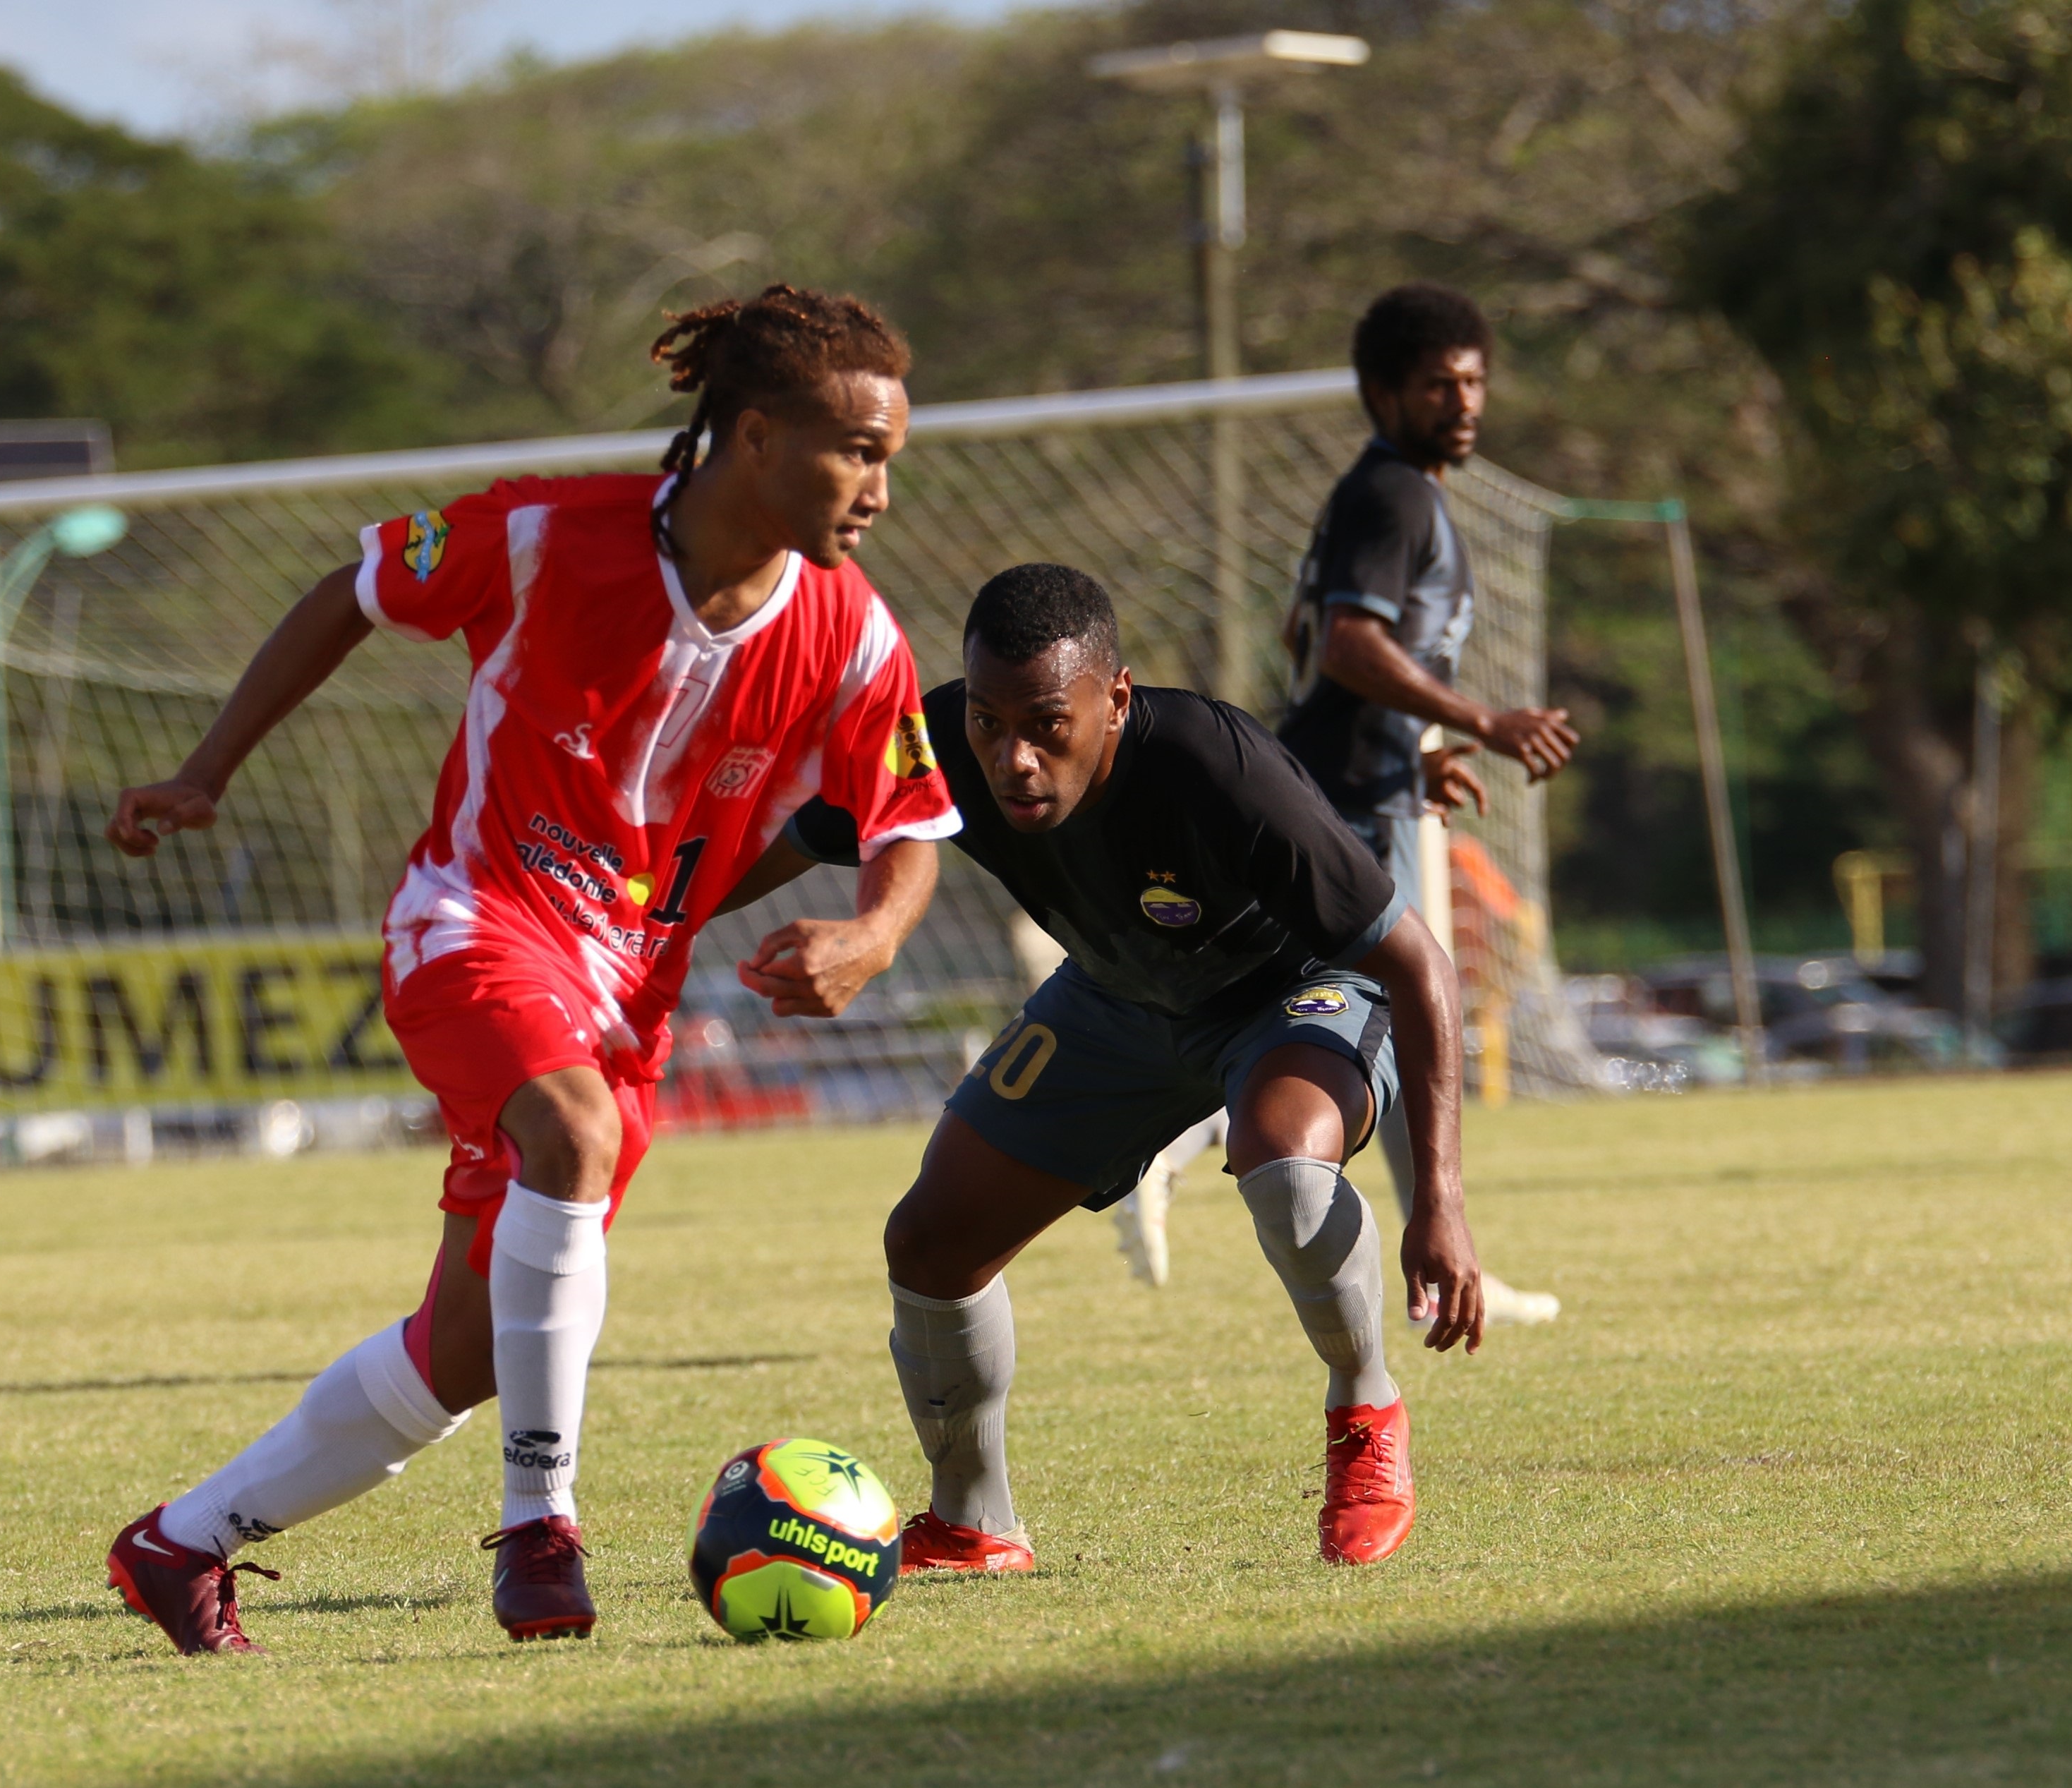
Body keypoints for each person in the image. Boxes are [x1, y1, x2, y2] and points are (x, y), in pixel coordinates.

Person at [98, 285, 961, 1653]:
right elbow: (357, 589)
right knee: (568, 1128)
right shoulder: (547, 533)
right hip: (472, 920)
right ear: (750, 436)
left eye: (890, 458)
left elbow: (909, 816)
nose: (877, 488)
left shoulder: (851, 630)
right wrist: (206, 769)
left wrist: (872, 931)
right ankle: (538, 1523)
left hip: (631, 998)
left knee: (470, 1345)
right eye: (856, 449)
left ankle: (181, 1540)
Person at [736, 562, 1484, 1570]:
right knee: (929, 1243)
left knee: (1284, 1157)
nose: (1015, 759)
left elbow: (1418, 963)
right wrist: (644, 922)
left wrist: (1439, 1201)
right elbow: (784, 837)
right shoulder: (935, 743)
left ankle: (1366, 1413)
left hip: (1291, 990)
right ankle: (973, 1521)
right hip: (1117, 1002)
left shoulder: (1215, 765)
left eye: (1047, 723)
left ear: (1116, 697)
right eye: (991, 723)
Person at [1275, 282, 1578, 1231]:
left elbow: (1317, 642)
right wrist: (1482, 722)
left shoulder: (1396, 494)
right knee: (1406, 1015)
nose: (1464, 403)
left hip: (1371, 786)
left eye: (1474, 382)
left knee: (1398, 1020)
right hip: (1356, 805)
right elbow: (1347, 646)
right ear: (1381, 391)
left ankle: (1434, 1245)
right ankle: (1437, 1248)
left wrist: (1422, 746)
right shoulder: (1393, 494)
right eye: (1439, 385)